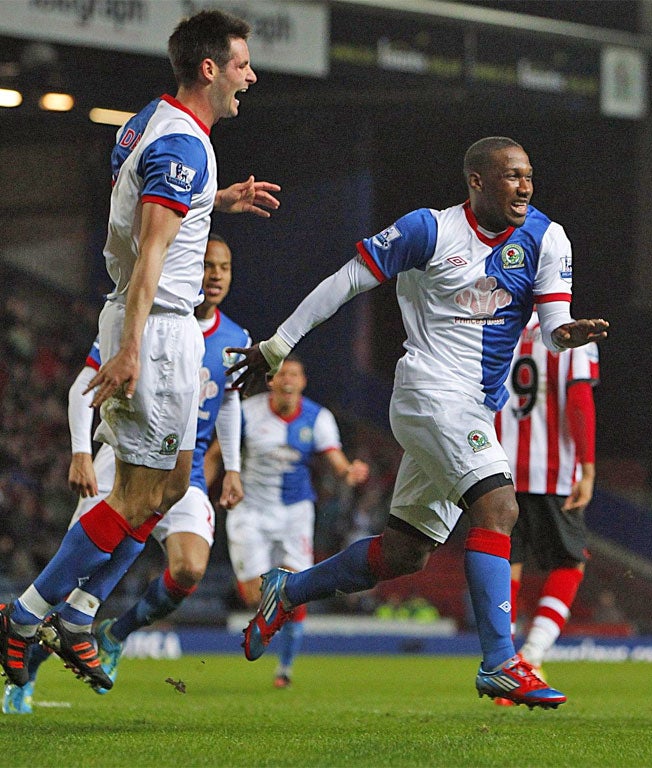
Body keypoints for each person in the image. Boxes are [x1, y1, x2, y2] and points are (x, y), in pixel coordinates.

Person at [226, 136, 608, 709]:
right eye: (510, 176)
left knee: (407, 553)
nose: (524, 186)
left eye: (528, 175)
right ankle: (501, 661)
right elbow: (346, 281)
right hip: (429, 391)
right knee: (499, 507)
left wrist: (566, 333)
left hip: (476, 405)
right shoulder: (427, 230)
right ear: (476, 181)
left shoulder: (547, 238)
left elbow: (553, 323)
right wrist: (279, 344)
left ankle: (289, 590)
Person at [0, 9, 272, 692]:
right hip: (156, 330)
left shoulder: (151, 121)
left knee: (174, 485)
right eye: (241, 64)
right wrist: (128, 348)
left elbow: (150, 212)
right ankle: (31, 614)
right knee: (137, 492)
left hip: (162, 324)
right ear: (209, 68)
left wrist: (214, 200)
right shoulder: (184, 146)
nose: (251, 76)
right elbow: (151, 253)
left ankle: (79, 612)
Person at [1, 234, 250, 714]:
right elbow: (83, 385)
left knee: (190, 567)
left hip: (185, 466)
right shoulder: (144, 320)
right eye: (206, 265)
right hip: (124, 455)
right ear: (185, 268)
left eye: (224, 267)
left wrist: (233, 466)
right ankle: (30, 661)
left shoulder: (234, 339)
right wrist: (80, 451)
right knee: (80, 563)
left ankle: (102, 625)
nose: (215, 276)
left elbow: (232, 399)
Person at [226, 356, 369, 689]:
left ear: (302, 382)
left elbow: (337, 463)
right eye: (281, 374)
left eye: (294, 374)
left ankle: (285, 668)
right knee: (252, 596)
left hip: (295, 512)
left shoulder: (318, 418)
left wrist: (350, 472)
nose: (287, 379)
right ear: (270, 381)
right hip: (251, 510)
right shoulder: (247, 412)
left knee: (298, 589)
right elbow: (220, 451)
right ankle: (271, 617)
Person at [492, 308, 599, 705]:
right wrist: (587, 468)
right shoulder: (570, 332)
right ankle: (532, 656)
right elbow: (578, 397)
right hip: (552, 470)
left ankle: (503, 665)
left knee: (506, 564)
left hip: (496, 466)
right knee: (570, 563)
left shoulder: (493, 324)